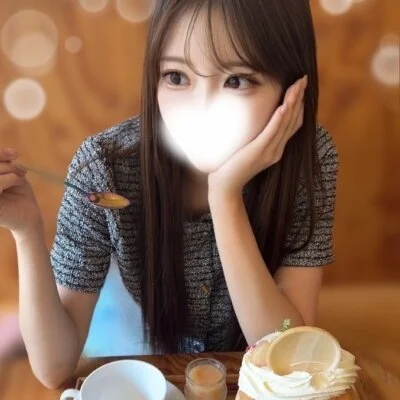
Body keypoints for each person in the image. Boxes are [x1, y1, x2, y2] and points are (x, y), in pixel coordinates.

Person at [0, 0, 338, 390]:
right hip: (138, 361)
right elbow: (54, 368)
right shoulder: (104, 167)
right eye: (177, 76)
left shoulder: (309, 160)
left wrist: (225, 197)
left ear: (292, 87)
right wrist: (26, 231)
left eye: (237, 80)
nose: (201, 110)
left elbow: (288, 349)